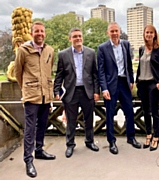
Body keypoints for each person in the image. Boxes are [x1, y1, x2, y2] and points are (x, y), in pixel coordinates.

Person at [14, 21, 56, 178]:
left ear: (45, 33)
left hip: (46, 95)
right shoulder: (23, 50)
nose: (40, 34)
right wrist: (27, 88)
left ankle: (39, 150)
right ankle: (28, 160)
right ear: (32, 33)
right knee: (30, 129)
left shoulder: (50, 50)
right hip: (31, 96)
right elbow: (18, 73)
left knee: (42, 126)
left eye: (42, 31)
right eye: (37, 31)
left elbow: (48, 71)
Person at [54, 28, 100, 158]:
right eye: (75, 36)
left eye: (80, 36)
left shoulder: (91, 53)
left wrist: (97, 91)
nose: (78, 38)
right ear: (70, 39)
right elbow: (59, 75)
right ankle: (70, 145)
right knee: (71, 121)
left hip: (87, 91)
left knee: (89, 119)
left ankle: (89, 141)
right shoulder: (63, 55)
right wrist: (56, 90)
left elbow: (95, 74)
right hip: (71, 92)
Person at [97, 22, 141, 155]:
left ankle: (131, 137)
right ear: (108, 33)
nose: (115, 33)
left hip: (124, 83)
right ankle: (112, 142)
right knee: (109, 114)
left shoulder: (126, 44)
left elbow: (128, 64)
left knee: (129, 112)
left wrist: (131, 80)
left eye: (116, 31)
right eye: (112, 31)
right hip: (110, 85)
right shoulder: (102, 48)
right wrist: (104, 88)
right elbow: (101, 71)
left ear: (120, 31)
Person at [136, 25, 159, 151]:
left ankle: (156, 137)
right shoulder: (141, 49)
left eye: (151, 32)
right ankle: (148, 134)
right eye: (146, 32)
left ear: (155, 34)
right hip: (142, 84)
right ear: (144, 34)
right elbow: (140, 66)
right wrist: (137, 81)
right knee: (145, 111)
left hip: (152, 84)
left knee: (154, 112)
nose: (148, 34)